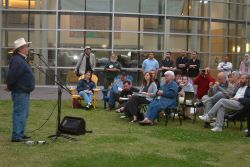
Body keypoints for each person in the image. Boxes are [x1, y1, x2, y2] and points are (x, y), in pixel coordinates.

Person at [6, 38, 35, 142]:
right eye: (26, 46)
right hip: (20, 91)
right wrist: (9, 85)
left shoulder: (21, 59)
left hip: (24, 91)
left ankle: (20, 134)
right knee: (20, 113)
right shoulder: (17, 60)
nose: (28, 48)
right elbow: (12, 75)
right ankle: (17, 136)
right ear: (21, 48)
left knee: (24, 113)